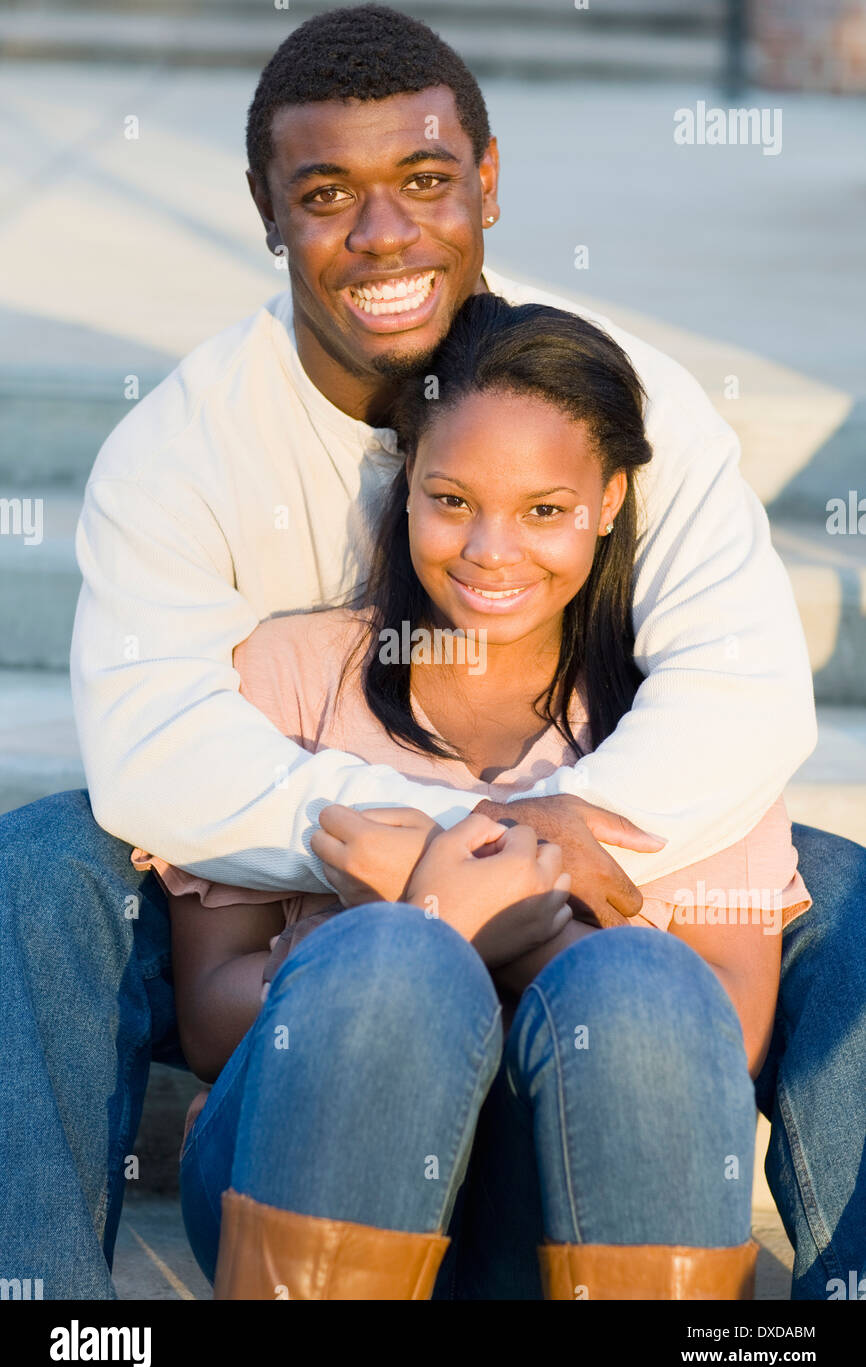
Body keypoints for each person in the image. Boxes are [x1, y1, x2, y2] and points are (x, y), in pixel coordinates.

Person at [0, 4, 862, 1301]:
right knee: (49, 856)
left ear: (489, 184)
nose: (384, 234)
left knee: (828, 885)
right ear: (264, 207)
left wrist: (545, 844)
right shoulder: (181, 449)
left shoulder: (616, 401)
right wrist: (432, 854)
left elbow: (740, 684)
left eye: (422, 180)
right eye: (327, 192)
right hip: (303, 902)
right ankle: (43, 1292)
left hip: (565, 907)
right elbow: (157, 750)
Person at [148, 294, 812, 1299]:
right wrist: (422, 930)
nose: (489, 552)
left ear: (609, 500)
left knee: (632, 983)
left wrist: (488, 919)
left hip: (564, 1206)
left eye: (544, 510)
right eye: (451, 499)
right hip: (298, 1178)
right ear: (404, 483)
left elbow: (716, 1031)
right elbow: (206, 1016)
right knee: (391, 959)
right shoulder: (287, 673)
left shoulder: (687, 721)